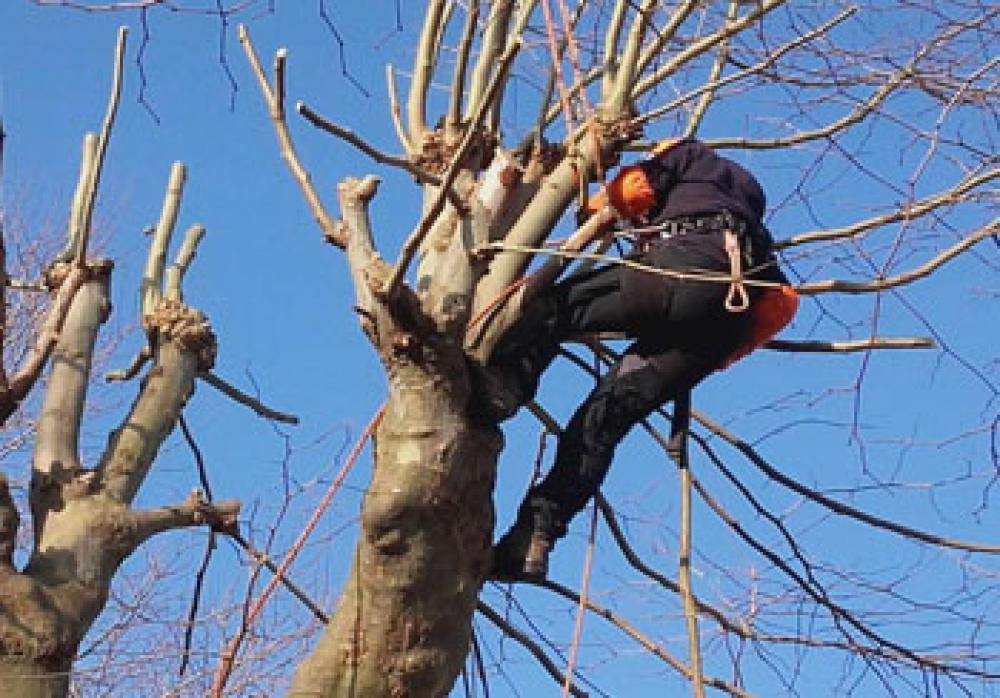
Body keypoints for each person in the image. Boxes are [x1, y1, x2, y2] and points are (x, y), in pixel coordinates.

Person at [474, 138, 799, 580]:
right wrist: (696, 360)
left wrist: (597, 207)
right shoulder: (750, 234)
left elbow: (635, 190)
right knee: (602, 421)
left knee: (550, 307)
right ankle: (534, 536)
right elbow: (775, 313)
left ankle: (503, 386)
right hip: (718, 328)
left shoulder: (689, 155)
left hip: (682, 269)